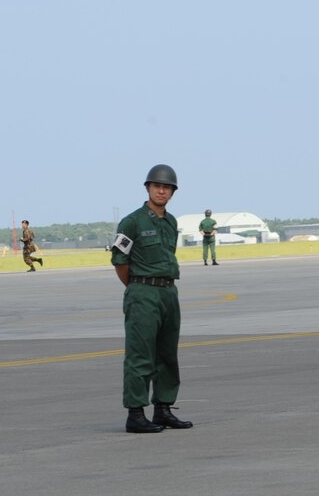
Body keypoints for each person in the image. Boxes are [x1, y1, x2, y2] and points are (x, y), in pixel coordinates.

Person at [111, 164, 194, 434]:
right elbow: (120, 261)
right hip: (143, 292)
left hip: (168, 292)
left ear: (173, 192)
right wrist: (138, 287)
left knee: (167, 354)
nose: (162, 190)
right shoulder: (132, 222)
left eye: (167, 187)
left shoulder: (171, 222)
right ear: (147, 188)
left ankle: (163, 408)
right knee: (140, 354)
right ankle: (135, 414)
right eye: (157, 186)